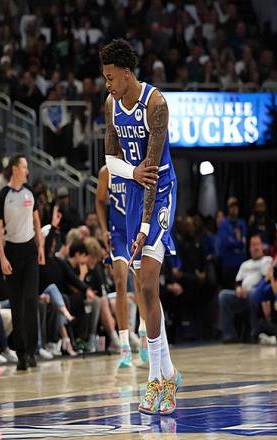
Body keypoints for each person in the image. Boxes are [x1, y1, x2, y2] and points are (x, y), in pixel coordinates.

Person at [101, 39, 181, 415]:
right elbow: (109, 160)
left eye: (111, 77)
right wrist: (130, 172)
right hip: (134, 188)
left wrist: (145, 226)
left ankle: (155, 381)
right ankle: (169, 373)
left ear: (127, 73)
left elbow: (151, 172)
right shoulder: (111, 105)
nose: (108, 84)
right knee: (144, 290)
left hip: (160, 190)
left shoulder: (155, 105)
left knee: (148, 281)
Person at [0, 154, 45, 371]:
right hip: (12, 252)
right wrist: (2, 258)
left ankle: (32, 350)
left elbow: (36, 222)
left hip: (30, 250)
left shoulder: (30, 192)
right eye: (24, 167)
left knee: (31, 300)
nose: (27, 171)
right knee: (16, 303)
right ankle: (21, 353)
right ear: (15, 169)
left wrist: (40, 247)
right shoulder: (2, 197)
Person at [96, 165, 147, 368]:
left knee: (141, 284)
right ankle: (124, 345)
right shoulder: (106, 171)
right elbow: (99, 201)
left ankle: (143, 333)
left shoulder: (136, 163)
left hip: (136, 230)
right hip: (117, 233)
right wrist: (103, 230)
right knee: (120, 283)